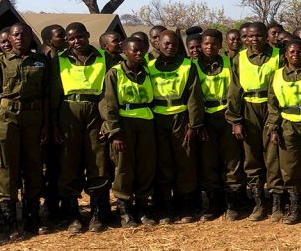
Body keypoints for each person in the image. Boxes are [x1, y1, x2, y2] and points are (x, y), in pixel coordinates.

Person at [0, 23, 58, 239]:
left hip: (34, 118)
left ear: (30, 37)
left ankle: (32, 216)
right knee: (6, 167)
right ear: (9, 37)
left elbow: (46, 95)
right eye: (16, 34)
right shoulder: (0, 63)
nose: (20, 38)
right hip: (7, 118)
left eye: (24, 34)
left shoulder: (41, 62)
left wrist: (46, 125)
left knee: (34, 166)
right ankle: (8, 220)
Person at [53, 23, 111, 233]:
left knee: (98, 161)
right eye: (71, 39)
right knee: (69, 162)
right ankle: (74, 215)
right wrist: (54, 124)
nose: (77, 41)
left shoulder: (104, 57)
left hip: (96, 111)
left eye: (80, 37)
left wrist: (107, 120)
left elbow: (109, 90)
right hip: (68, 111)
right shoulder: (59, 59)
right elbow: (54, 93)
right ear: (67, 41)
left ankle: (96, 213)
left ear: (88, 35)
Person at [226, 21, 282, 221]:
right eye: (250, 36)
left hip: (271, 108)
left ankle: (276, 203)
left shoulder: (278, 55)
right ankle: (259, 204)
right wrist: (235, 120)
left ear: (266, 36)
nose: (254, 40)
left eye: (258, 35)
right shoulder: (239, 59)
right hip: (249, 109)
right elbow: (234, 91)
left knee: (273, 156)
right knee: (251, 157)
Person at [148, 29, 205, 224]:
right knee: (163, 163)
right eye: (166, 44)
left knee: (185, 161)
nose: (170, 47)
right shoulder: (150, 66)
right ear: (158, 44)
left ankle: (186, 206)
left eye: (174, 44)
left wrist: (193, 124)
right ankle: (166, 207)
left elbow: (194, 97)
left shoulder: (187, 65)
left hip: (181, 117)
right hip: (158, 118)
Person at [100, 37, 157, 227]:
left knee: (145, 166)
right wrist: (115, 132)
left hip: (146, 121)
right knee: (123, 167)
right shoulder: (114, 73)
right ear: (125, 52)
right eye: (135, 50)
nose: (139, 53)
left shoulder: (148, 71)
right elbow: (109, 104)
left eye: (142, 50)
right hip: (124, 123)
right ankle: (124, 210)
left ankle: (142, 207)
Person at [266, 38, 301, 224]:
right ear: (285, 55)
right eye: (291, 52)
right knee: (290, 167)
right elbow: (273, 105)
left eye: (299, 52)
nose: (295, 55)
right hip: (287, 125)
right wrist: (274, 128)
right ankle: (295, 205)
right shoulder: (276, 75)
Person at [187, 30, 241, 220]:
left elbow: (236, 93)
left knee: (231, 161)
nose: (209, 47)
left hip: (227, 115)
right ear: (201, 45)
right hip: (206, 118)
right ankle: (213, 204)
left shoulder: (229, 63)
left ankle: (232, 204)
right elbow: (193, 98)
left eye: (213, 43)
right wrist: (198, 123)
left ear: (220, 45)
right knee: (209, 162)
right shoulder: (193, 66)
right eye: (206, 44)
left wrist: (235, 119)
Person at [39, 24, 67, 223]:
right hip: (45, 120)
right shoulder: (44, 59)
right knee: (50, 166)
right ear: (49, 40)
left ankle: (58, 204)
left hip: (59, 117)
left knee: (58, 165)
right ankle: (50, 205)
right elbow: (48, 94)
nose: (65, 38)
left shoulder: (61, 57)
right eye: (60, 36)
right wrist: (50, 124)